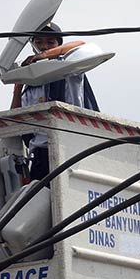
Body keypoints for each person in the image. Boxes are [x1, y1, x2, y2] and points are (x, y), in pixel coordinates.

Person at [9, 22, 99, 180]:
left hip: (71, 149)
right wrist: (18, 85)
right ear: (32, 46)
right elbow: (15, 119)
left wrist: (43, 56)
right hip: (41, 156)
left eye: (50, 42)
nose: (44, 46)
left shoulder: (69, 69)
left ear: (59, 45)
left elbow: (80, 45)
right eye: (39, 42)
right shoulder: (31, 84)